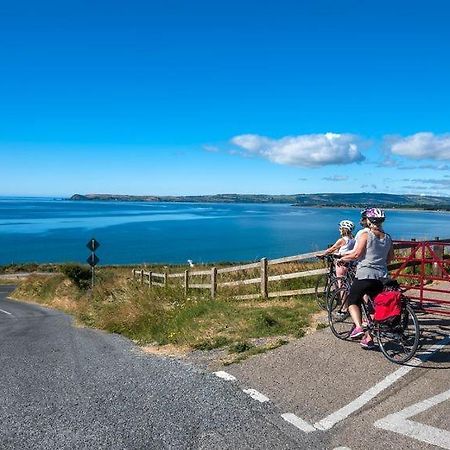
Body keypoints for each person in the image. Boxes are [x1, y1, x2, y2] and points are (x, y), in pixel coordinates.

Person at [337, 208, 394, 349]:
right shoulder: (387, 237)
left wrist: (343, 258)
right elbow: (390, 258)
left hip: (365, 275)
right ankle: (369, 339)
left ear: (369, 220)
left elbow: (356, 254)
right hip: (381, 277)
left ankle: (358, 327)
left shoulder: (366, 234)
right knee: (374, 307)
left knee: (352, 300)